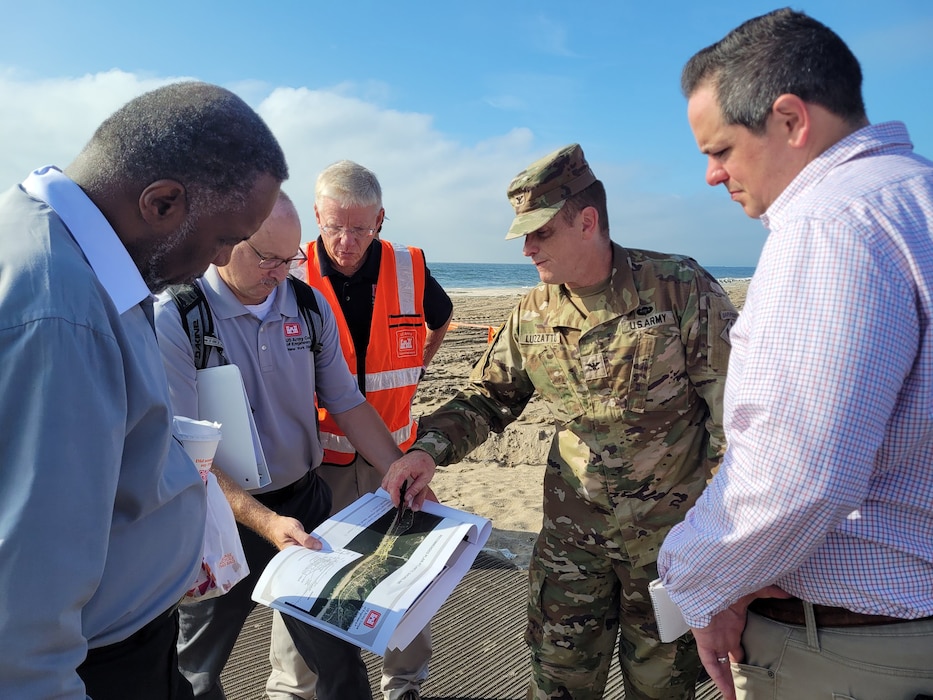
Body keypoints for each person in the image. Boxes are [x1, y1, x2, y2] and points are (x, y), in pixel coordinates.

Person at [383, 143, 737, 700]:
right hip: (573, 551)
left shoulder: (678, 289)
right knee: (558, 688)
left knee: (664, 690)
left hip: (669, 549)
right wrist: (427, 450)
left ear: (586, 222)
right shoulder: (532, 312)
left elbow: (737, 419)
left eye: (540, 233)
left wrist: (723, 532)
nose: (526, 249)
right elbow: (486, 399)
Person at [656, 8, 933, 700]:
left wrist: (696, 582)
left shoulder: (830, 225)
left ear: (788, 120)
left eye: (718, 149)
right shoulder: (915, 199)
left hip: (850, 648)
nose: (712, 177)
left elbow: (797, 474)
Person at [0, 81, 287, 699]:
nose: (220, 261)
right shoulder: (61, 313)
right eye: (222, 239)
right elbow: (22, 601)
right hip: (94, 668)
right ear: (161, 203)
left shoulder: (81, 260)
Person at [155, 191, 406, 699]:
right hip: (219, 519)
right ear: (223, 242)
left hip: (305, 507)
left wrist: (398, 469)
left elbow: (348, 404)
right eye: (266, 257)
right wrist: (264, 522)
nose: (280, 272)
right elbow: (182, 450)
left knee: (339, 659)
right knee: (194, 673)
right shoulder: (177, 317)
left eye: (289, 258)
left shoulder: (309, 306)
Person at [268, 160, 452, 700]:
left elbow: (440, 317)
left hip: (390, 454)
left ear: (381, 220)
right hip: (317, 462)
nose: (347, 242)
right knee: (304, 575)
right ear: (317, 215)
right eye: (334, 227)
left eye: (361, 228)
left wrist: (417, 365)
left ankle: (405, 683)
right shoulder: (288, 271)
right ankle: (293, 688)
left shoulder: (409, 267)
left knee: (404, 571)